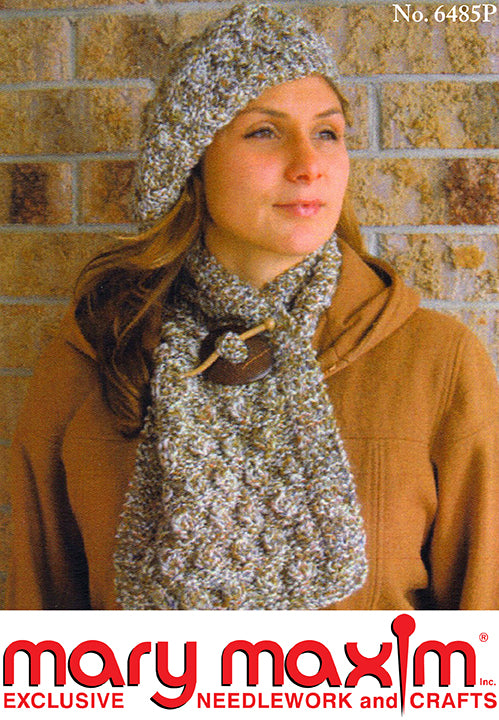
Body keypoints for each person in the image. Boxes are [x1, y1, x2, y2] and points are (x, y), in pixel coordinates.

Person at [7, 3, 499, 611]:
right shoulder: (91, 356)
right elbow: (38, 623)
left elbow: (482, 624)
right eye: (264, 131)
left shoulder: (437, 363)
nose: (309, 165)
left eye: (327, 132)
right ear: (192, 163)